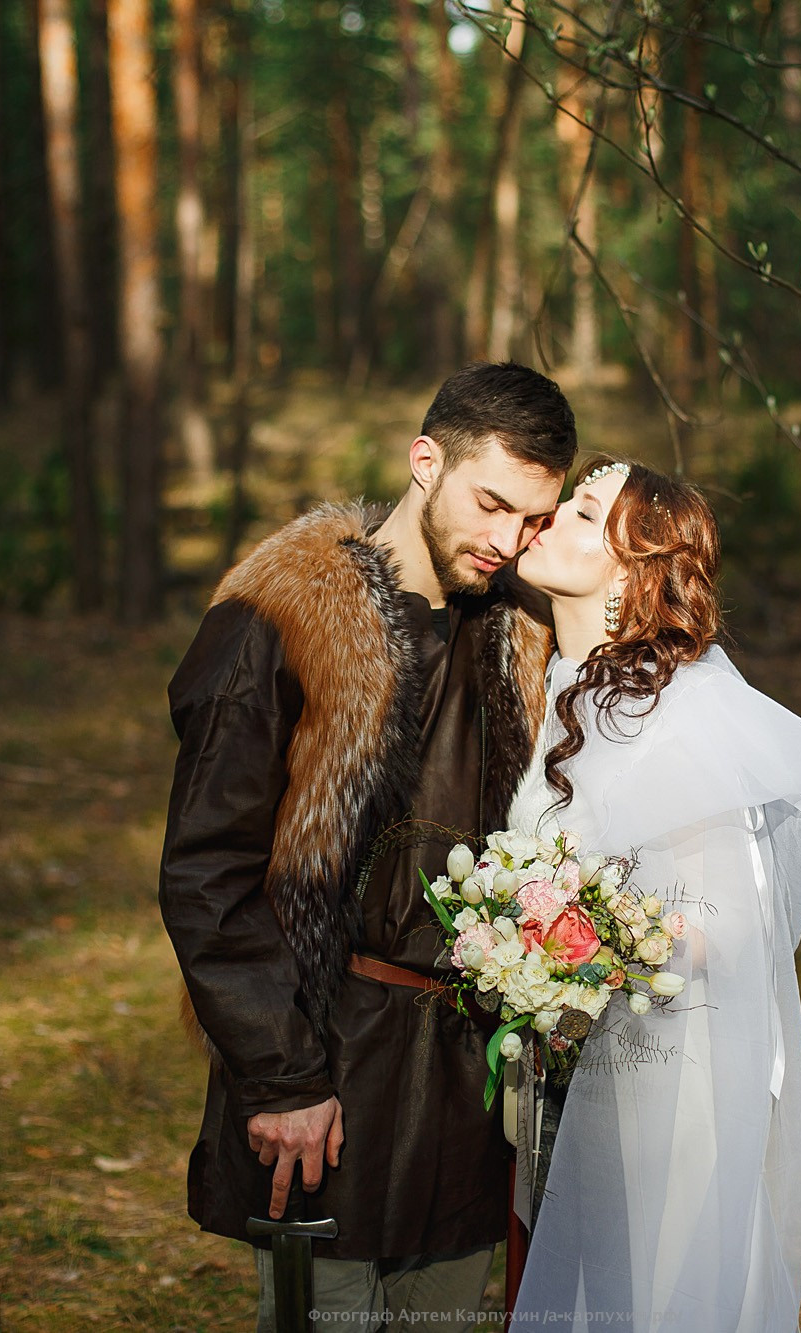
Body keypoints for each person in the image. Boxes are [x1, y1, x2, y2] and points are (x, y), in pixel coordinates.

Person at [157, 362, 575, 1333]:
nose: (506, 541)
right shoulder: (277, 618)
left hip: (467, 1078)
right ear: (425, 459)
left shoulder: (519, 628)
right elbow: (206, 874)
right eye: (491, 504)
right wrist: (282, 1076)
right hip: (325, 1059)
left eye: (530, 520)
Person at [505, 458, 801, 1332]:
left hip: (655, 1076)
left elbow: (731, 922)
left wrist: (580, 945)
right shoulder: (558, 686)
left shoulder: (669, 708)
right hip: (566, 1059)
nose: (549, 518)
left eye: (582, 510)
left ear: (632, 568)